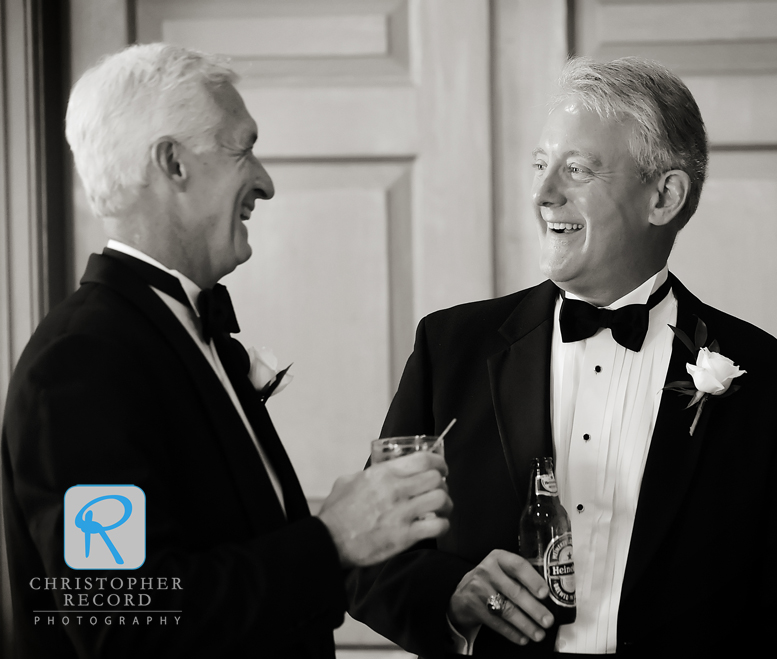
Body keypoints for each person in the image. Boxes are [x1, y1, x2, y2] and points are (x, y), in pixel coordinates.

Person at [347, 56, 777, 658]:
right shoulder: (449, 348)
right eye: (539, 165)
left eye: (576, 169)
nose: (541, 193)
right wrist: (452, 596)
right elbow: (364, 558)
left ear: (664, 195)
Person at [1, 43, 452, 658]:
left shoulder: (188, 332)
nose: (264, 181)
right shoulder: (80, 363)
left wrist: (426, 579)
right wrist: (332, 539)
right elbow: (126, 623)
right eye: (243, 148)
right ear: (173, 164)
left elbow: (243, 565)